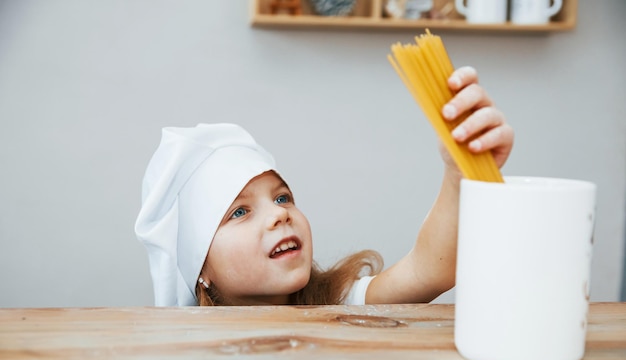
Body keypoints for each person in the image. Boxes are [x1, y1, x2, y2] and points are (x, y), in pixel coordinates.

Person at [135, 66, 514, 307]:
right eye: (239, 211)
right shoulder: (186, 350)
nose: (279, 214)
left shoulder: (337, 300)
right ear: (202, 269)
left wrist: (457, 173)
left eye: (282, 197)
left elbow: (428, 271)